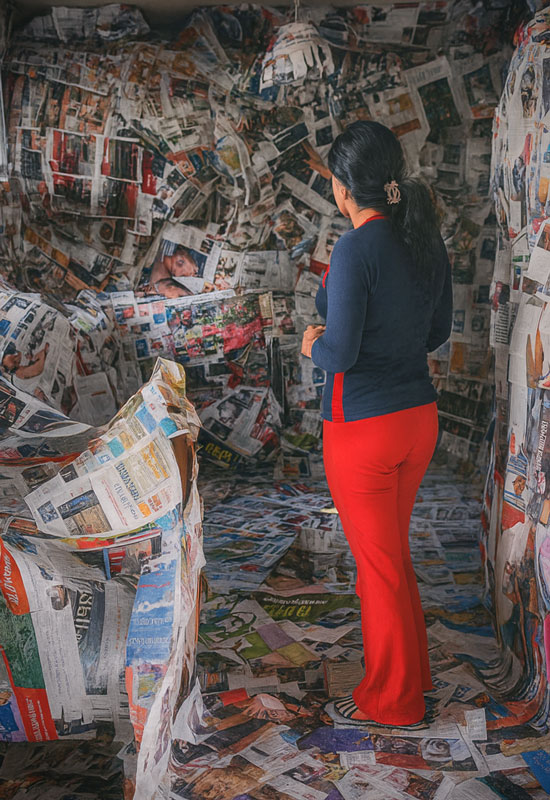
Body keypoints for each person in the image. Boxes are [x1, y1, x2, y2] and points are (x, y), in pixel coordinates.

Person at [301, 120, 452, 728]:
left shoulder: (353, 249)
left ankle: (393, 701)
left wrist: (313, 343)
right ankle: (413, 679)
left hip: (362, 429)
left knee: (379, 567)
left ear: (343, 190)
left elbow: (338, 354)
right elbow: (437, 333)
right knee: (391, 560)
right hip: (418, 421)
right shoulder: (425, 240)